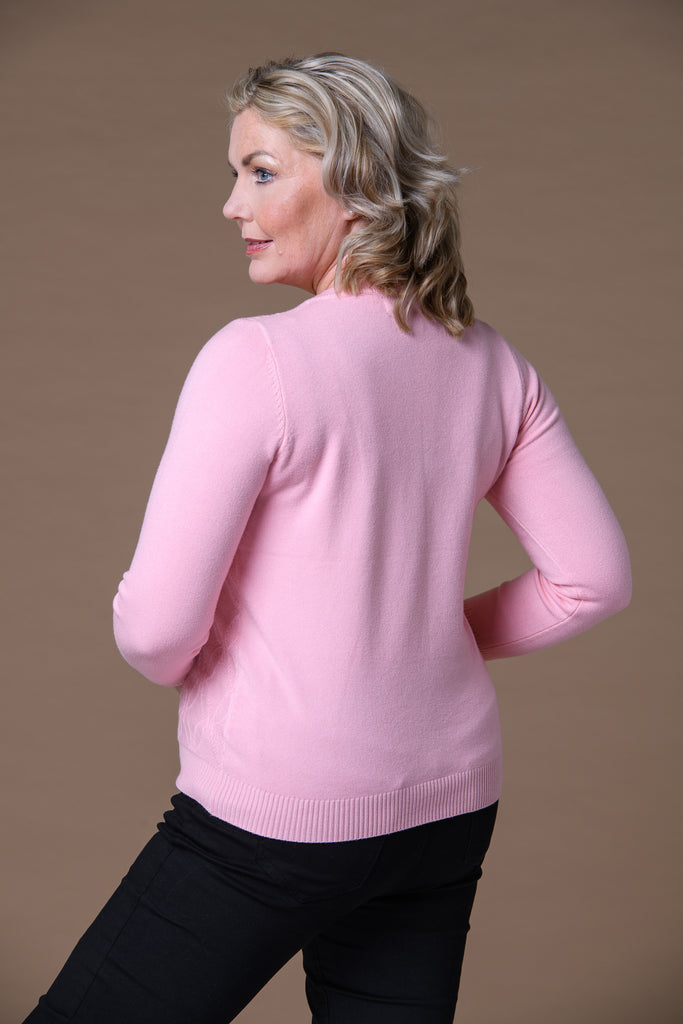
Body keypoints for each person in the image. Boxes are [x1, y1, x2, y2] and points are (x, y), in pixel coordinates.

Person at [23, 53, 632, 1024]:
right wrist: (428, 639)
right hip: (447, 806)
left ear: (355, 189)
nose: (232, 204)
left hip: (275, 814)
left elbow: (155, 630)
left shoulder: (255, 358)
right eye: (235, 174)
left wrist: (214, 660)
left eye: (261, 172)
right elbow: (592, 578)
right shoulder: (493, 364)